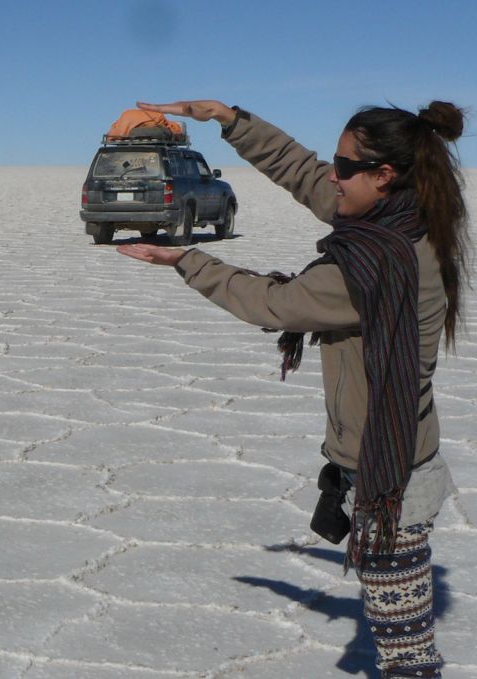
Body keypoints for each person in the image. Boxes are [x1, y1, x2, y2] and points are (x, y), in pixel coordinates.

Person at [118, 99, 467, 678]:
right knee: (397, 627)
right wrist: (232, 121)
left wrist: (186, 260)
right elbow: (304, 173)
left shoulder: (376, 266)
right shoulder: (403, 220)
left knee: (406, 652)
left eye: (346, 166)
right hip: (400, 457)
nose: (333, 175)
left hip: (391, 478)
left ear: (384, 176)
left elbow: (274, 304)